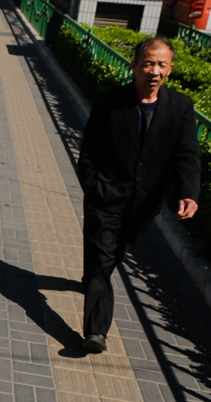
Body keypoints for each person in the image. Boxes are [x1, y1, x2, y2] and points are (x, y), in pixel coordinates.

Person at [77, 38, 200, 353]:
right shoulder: (110, 102)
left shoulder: (181, 107)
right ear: (134, 66)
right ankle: (96, 331)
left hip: (143, 205)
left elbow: (186, 155)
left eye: (161, 64)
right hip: (105, 197)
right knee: (103, 260)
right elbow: (89, 152)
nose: (154, 71)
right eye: (148, 63)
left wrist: (188, 193)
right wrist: (94, 187)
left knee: (110, 256)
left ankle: (91, 279)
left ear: (170, 70)